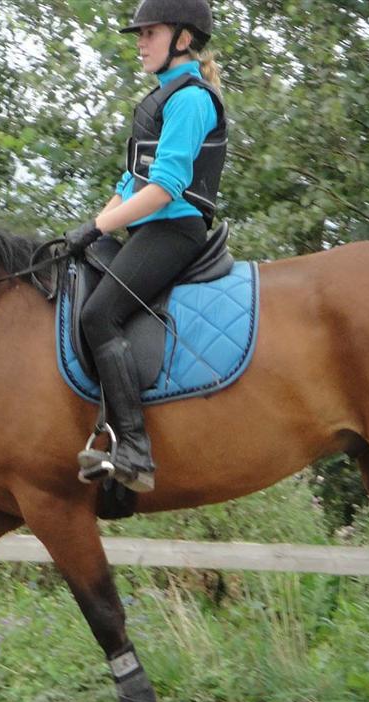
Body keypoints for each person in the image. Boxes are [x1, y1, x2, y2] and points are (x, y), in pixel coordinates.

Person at [65, 0, 227, 493]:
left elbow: (165, 187)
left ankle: (134, 448)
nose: (140, 42)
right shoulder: (159, 99)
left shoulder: (191, 99)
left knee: (98, 316)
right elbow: (132, 182)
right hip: (147, 228)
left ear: (182, 38)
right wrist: (96, 224)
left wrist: (99, 226)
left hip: (175, 232)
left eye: (149, 33)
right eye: (139, 34)